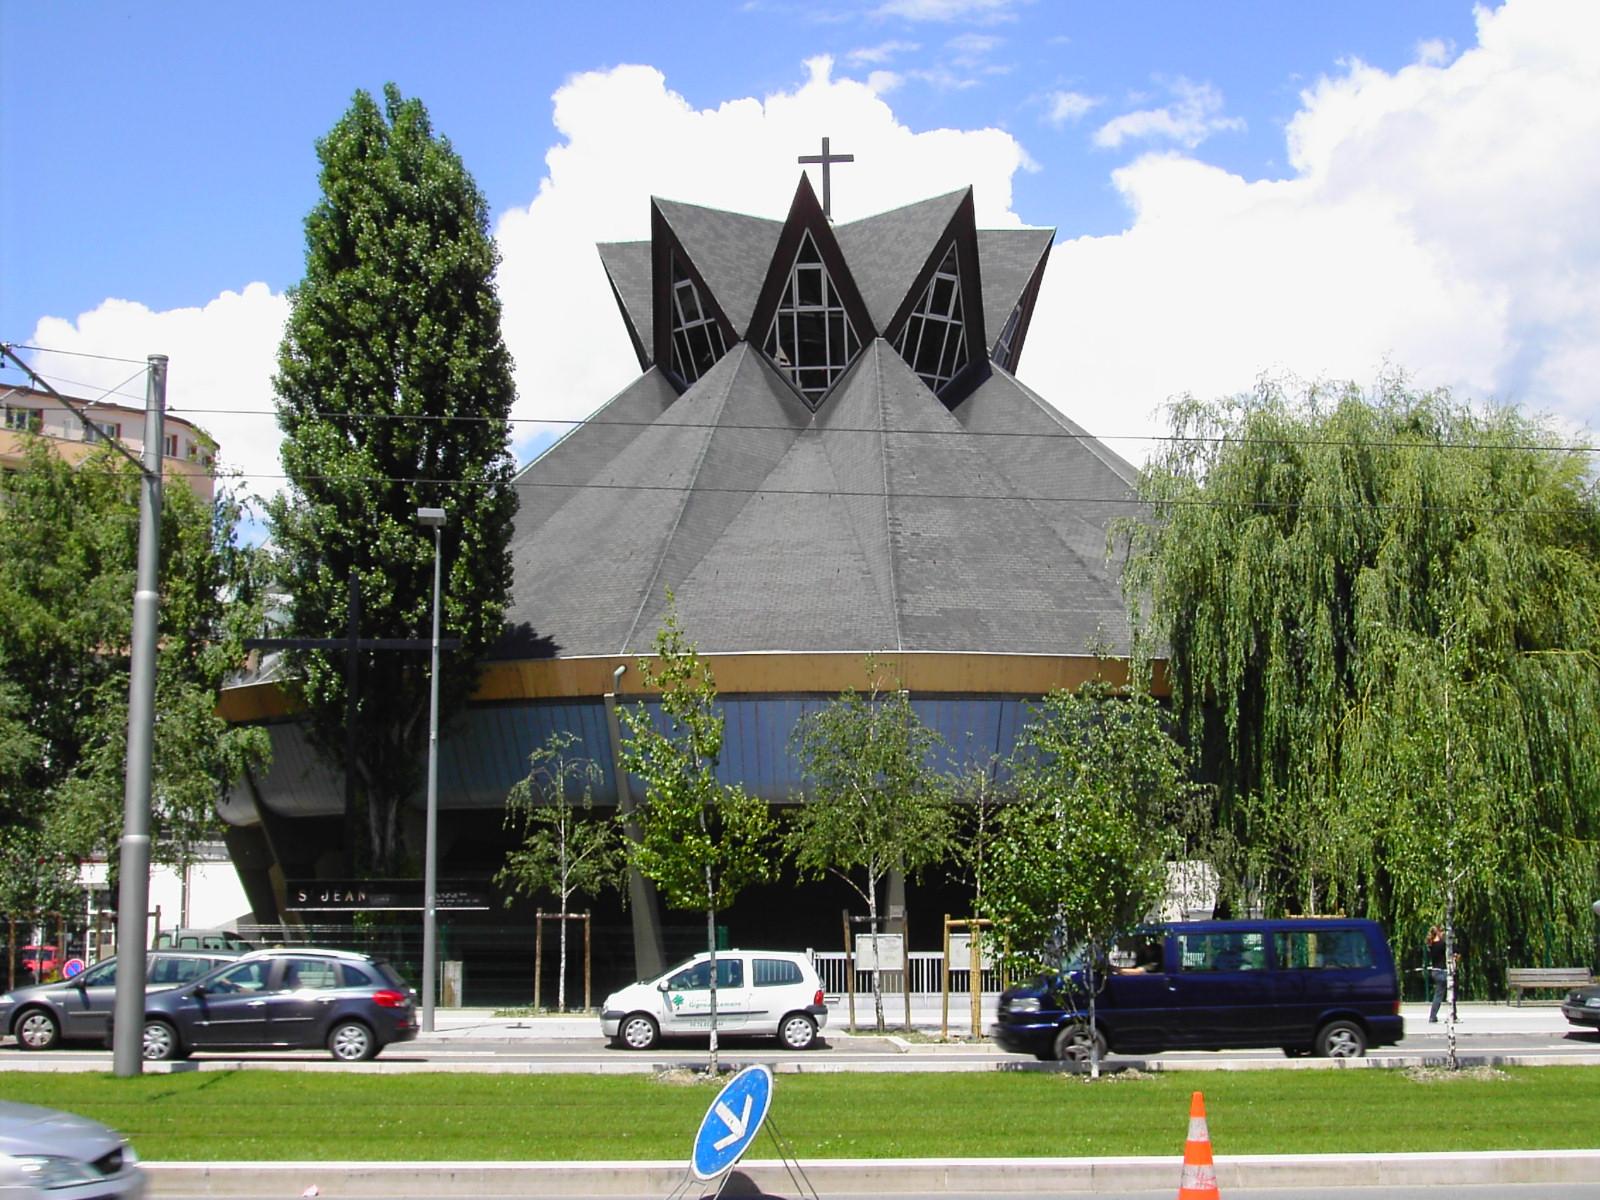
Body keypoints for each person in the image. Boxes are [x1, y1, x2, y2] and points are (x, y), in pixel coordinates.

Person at [1424, 925, 1460, 1022]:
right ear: (1439, 932)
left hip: (1435, 971)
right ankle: (1453, 1016)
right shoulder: (1442, 943)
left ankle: (1433, 1016)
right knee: (1451, 994)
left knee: (1438, 995)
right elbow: (1455, 950)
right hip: (1444, 971)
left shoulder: (1431, 944)